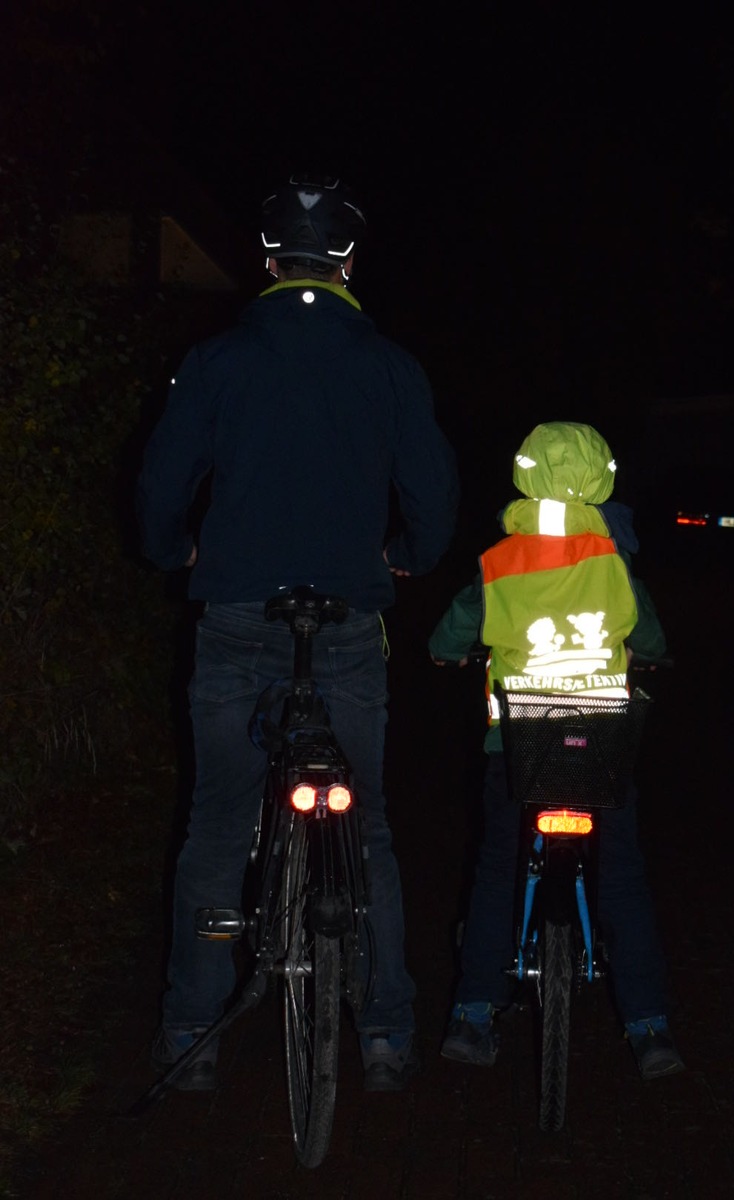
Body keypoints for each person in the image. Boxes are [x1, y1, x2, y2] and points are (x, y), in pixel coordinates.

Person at [136, 173, 459, 1092]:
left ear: (267, 258)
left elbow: (161, 487)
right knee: (372, 832)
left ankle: (192, 1035)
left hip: (239, 615)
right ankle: (387, 1033)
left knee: (216, 827)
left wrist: (172, 552)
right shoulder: (391, 365)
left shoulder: (219, 360)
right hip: (349, 619)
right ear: (350, 262)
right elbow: (433, 496)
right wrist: (406, 550)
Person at [428, 421, 685, 1080]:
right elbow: (649, 635)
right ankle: (650, 1029)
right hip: (602, 740)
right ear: (603, 477)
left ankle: (474, 1015)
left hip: (518, 742)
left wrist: (449, 652)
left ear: (522, 472)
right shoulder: (615, 562)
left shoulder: (501, 561)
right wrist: (651, 656)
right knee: (622, 874)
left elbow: (453, 630)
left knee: (496, 871)